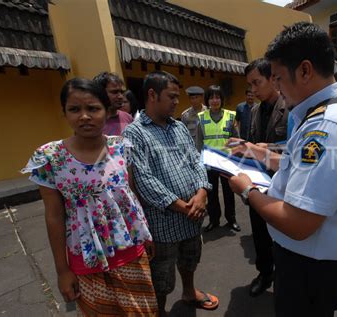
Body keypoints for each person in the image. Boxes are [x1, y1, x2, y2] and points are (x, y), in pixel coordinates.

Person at [228, 22, 337, 316]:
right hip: (318, 263)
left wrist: (248, 190)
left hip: (310, 267)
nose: (278, 87)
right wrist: (259, 152)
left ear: (305, 70)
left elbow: (298, 223)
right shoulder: (328, 111)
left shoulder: (327, 126)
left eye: (279, 78)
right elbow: (301, 165)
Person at [21, 78, 157, 316]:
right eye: (75, 109)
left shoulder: (122, 147)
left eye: (93, 108)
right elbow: (53, 216)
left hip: (131, 252)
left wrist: (146, 235)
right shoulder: (50, 157)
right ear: (64, 112)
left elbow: (130, 196)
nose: (84, 116)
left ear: (107, 111)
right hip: (86, 260)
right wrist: (62, 271)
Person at [123, 71, 218, 317]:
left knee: (190, 259)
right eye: (172, 96)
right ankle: (160, 311)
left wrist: (201, 193)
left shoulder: (178, 127)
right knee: (162, 274)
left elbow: (196, 160)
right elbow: (143, 179)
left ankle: (189, 291)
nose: (177, 101)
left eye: (178, 97)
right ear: (152, 95)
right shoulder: (135, 133)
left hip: (192, 215)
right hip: (163, 221)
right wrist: (183, 206)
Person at [243, 58, 289, 297]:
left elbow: (296, 149)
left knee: (281, 237)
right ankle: (264, 273)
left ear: (272, 78)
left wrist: (266, 147)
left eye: (257, 82)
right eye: (250, 85)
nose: (253, 90)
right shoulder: (254, 110)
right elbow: (252, 144)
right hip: (257, 184)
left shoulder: (290, 107)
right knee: (259, 235)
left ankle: (283, 278)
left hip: (282, 186)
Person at [196, 85, 240, 232]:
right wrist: (198, 162)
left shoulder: (230, 115)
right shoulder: (201, 117)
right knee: (211, 193)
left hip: (227, 161)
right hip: (209, 162)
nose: (215, 100)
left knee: (229, 191)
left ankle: (231, 219)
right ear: (207, 100)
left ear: (222, 99)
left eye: (217, 97)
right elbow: (198, 143)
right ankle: (214, 220)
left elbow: (237, 139)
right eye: (211, 97)